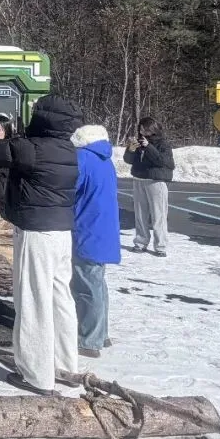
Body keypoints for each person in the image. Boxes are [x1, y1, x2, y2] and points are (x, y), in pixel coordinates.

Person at [0, 94, 82, 396]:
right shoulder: (68, 149)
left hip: (36, 234)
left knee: (33, 301)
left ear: (43, 118)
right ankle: (66, 366)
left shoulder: (32, 148)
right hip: (62, 233)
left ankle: (36, 375)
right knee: (60, 299)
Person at [70, 124, 120, 358]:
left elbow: (70, 189)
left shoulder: (82, 159)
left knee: (86, 285)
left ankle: (89, 339)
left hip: (87, 227)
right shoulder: (105, 159)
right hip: (103, 228)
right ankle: (101, 333)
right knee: (97, 283)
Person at [123, 116, 175, 258]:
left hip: (156, 181)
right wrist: (130, 150)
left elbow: (164, 162)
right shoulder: (139, 142)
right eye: (140, 129)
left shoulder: (163, 144)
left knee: (158, 215)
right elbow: (128, 160)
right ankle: (141, 242)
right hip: (139, 179)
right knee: (140, 214)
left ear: (152, 129)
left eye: (144, 129)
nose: (141, 132)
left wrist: (149, 147)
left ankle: (160, 246)